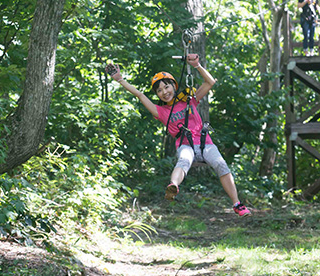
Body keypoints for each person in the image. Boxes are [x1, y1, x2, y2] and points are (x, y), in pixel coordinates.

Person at [104, 54, 251, 217]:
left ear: (174, 86)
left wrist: (197, 65)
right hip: (186, 145)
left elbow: (210, 82)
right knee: (184, 161)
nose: (164, 92)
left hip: (205, 143)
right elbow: (140, 95)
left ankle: (237, 204)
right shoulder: (160, 112)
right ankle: (173, 186)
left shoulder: (189, 100)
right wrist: (120, 80)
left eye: (166, 87)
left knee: (221, 164)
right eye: (159, 90)